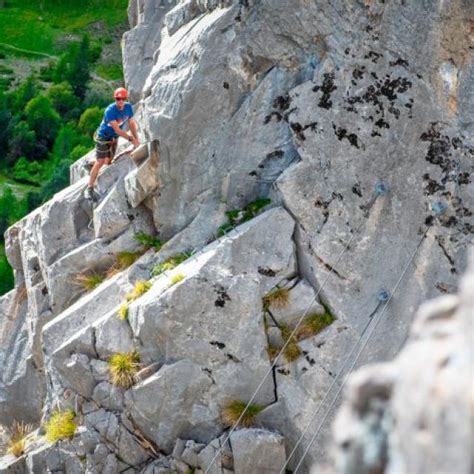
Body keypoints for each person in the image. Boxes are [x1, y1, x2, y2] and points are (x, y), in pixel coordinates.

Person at [85, 87, 140, 201]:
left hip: (113, 138)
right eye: (118, 98)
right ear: (115, 98)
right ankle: (89, 188)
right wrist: (131, 139)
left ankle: (90, 163)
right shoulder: (110, 110)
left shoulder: (128, 108)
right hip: (103, 137)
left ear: (126, 98)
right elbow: (117, 130)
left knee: (108, 162)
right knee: (100, 162)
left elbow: (131, 123)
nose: (120, 101)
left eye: (123, 98)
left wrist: (136, 138)